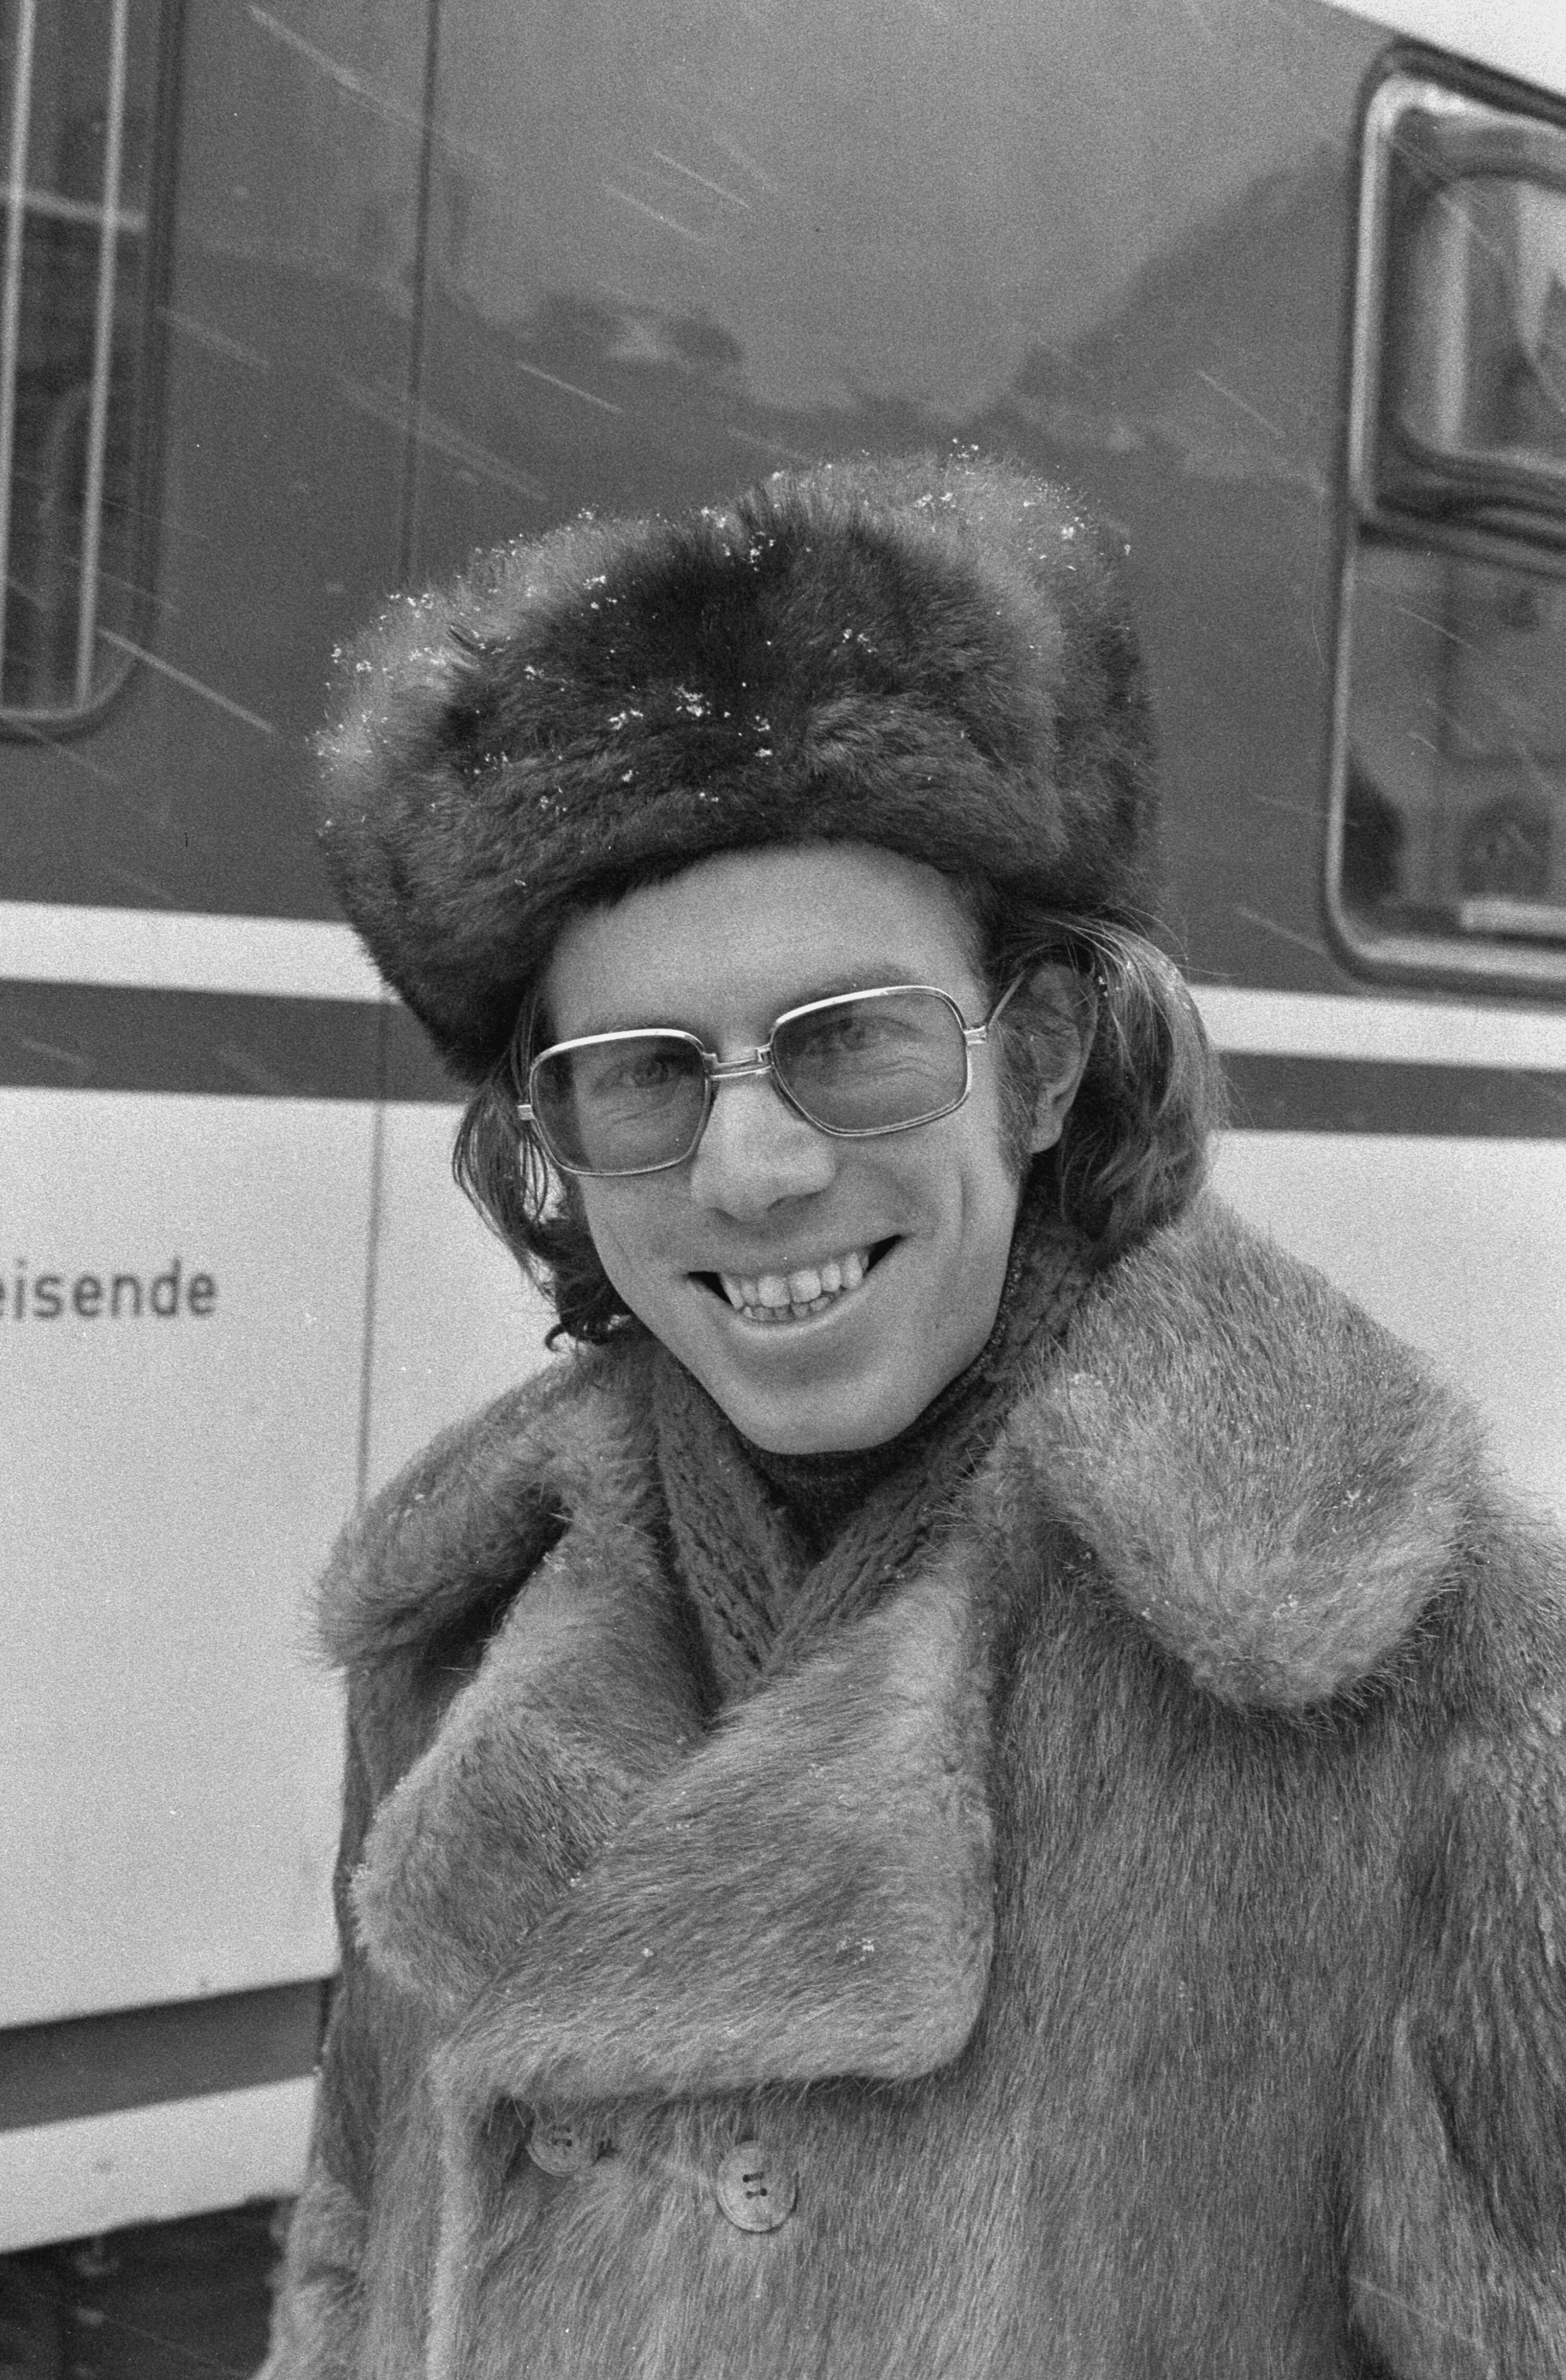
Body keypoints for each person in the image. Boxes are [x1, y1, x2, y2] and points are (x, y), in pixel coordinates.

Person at [261, 453, 1566, 2379]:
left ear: (1040, 1063)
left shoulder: (1439, 1693)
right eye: (643, 1075)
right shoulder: (450, 1642)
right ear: (552, 1140)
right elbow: (354, 2249)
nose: (755, 1168)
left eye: (851, 1041)